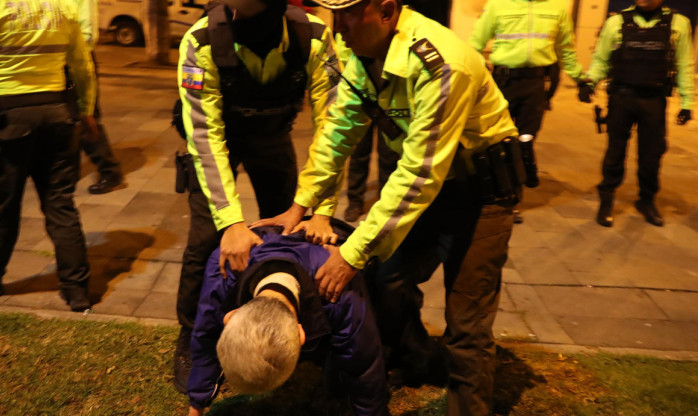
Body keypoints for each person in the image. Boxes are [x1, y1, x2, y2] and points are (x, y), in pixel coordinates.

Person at [254, 1, 522, 414]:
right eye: (333, 13)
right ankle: (416, 359)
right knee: (388, 280)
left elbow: (418, 175)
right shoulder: (365, 55)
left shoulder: (441, 63)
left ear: (386, 11)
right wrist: (301, 205)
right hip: (430, 190)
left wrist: (352, 252)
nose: (337, 25)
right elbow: (337, 134)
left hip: (480, 199)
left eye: (348, 14)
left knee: (466, 326)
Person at [173, 0, 340, 394]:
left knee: (291, 233)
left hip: (272, 135)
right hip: (219, 142)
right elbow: (205, 137)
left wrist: (322, 209)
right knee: (204, 240)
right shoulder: (200, 41)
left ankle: (289, 325)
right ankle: (193, 335)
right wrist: (230, 222)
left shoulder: (314, 37)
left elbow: (334, 127)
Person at [0, 0, 97, 312]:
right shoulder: (62, 5)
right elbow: (81, 62)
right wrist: (86, 107)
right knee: (60, 203)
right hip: (57, 117)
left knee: (1, 206)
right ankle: (76, 288)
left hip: (8, 121)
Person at [186, 224, 389, 416]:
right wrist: (196, 405)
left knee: (338, 380)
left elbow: (365, 366)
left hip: (342, 244)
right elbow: (206, 336)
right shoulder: (223, 263)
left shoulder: (339, 287)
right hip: (282, 247)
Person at [581, 0, 694, 227]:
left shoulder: (679, 24)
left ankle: (647, 199)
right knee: (615, 151)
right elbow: (602, 59)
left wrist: (687, 102)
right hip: (622, 98)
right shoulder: (615, 22)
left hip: (654, 100)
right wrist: (590, 82)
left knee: (651, 154)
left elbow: (684, 64)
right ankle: (607, 198)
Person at [469, 0, 589, 193]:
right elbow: (474, 45)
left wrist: (580, 80)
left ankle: (517, 190)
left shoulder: (557, 8)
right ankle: (499, 190)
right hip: (503, 82)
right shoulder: (498, 5)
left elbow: (566, 48)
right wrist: (475, 76)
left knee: (526, 139)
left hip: (535, 83)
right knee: (498, 140)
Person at [334, 33, 399, 222]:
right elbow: (343, 55)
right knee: (359, 152)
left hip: (388, 93)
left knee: (389, 154)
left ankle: (386, 202)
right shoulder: (349, 27)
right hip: (361, 93)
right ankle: (355, 201)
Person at [74, 0, 124, 195]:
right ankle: (69, 170)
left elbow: (87, 35)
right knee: (66, 119)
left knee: (86, 117)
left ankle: (110, 171)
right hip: (58, 60)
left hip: (79, 59)